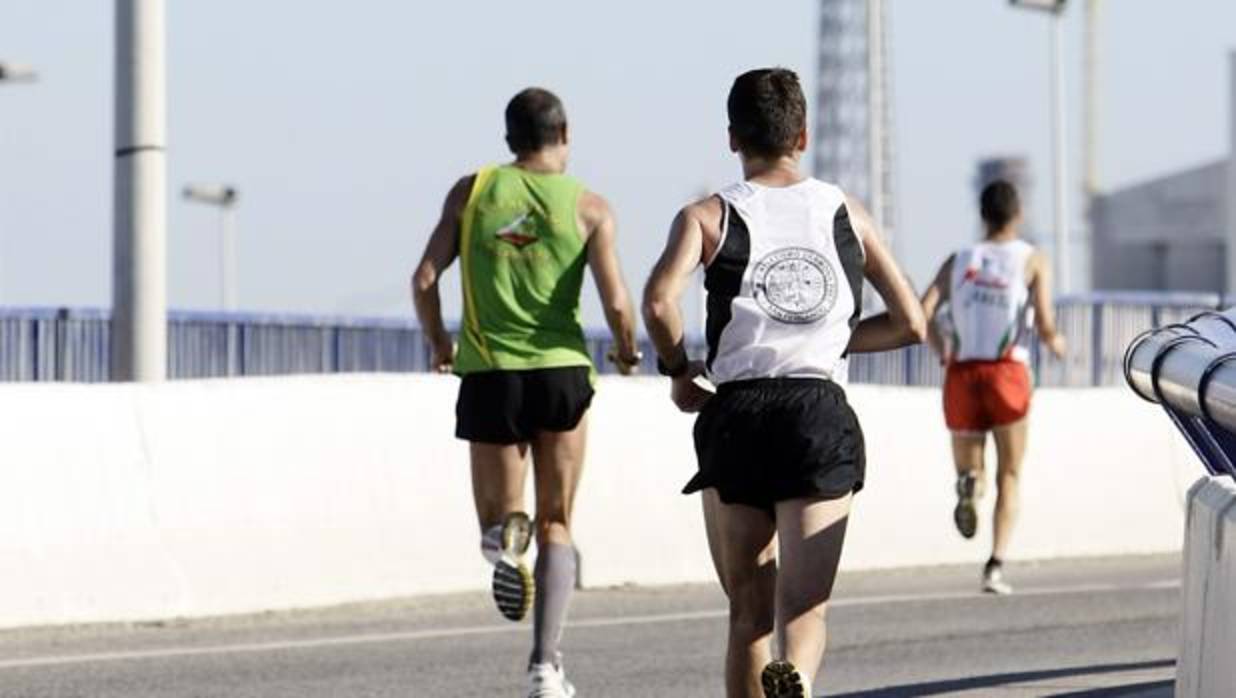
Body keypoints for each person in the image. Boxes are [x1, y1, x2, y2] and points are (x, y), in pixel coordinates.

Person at [642, 67, 926, 698]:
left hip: (737, 412)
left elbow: (660, 301)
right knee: (803, 610)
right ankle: (792, 677)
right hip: (817, 415)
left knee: (748, 614)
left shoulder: (708, 215)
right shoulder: (845, 211)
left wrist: (678, 371)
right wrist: (821, 336)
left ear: (732, 138)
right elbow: (912, 322)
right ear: (803, 133)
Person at [411, 86, 640, 698]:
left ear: (509, 139)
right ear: (563, 134)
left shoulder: (473, 192)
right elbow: (617, 301)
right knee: (557, 522)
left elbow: (425, 277)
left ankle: (500, 544)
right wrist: (626, 350)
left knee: (497, 521)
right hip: (561, 371)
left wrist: (438, 341)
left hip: (489, 374)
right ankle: (545, 667)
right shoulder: (590, 207)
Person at [920, 179, 1067, 595]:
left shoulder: (959, 259)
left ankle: (969, 483)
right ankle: (995, 564)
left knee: (972, 468)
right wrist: (1057, 343)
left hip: (963, 373)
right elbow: (1045, 321)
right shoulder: (1033, 259)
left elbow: (922, 312)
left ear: (982, 215)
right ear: (1017, 213)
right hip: (1008, 373)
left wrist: (941, 350)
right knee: (1011, 474)